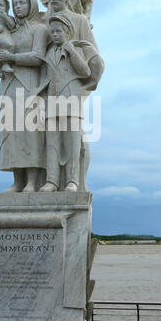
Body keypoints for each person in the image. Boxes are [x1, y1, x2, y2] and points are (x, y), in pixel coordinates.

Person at [39, 13, 104, 192]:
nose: (55, 34)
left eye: (59, 31)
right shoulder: (49, 52)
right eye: (52, 32)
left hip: (71, 101)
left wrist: (72, 51)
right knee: (52, 143)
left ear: (67, 32)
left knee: (73, 144)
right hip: (52, 101)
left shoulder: (76, 49)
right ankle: (52, 181)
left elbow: (84, 72)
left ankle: (72, 181)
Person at [0, 0, 49, 192]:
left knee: (31, 132)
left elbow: (38, 56)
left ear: (31, 5)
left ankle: (33, 181)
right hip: (9, 84)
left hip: (31, 85)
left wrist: (12, 57)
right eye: (15, 3)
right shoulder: (8, 31)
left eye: (22, 3)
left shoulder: (40, 29)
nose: (17, 6)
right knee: (11, 131)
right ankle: (18, 180)